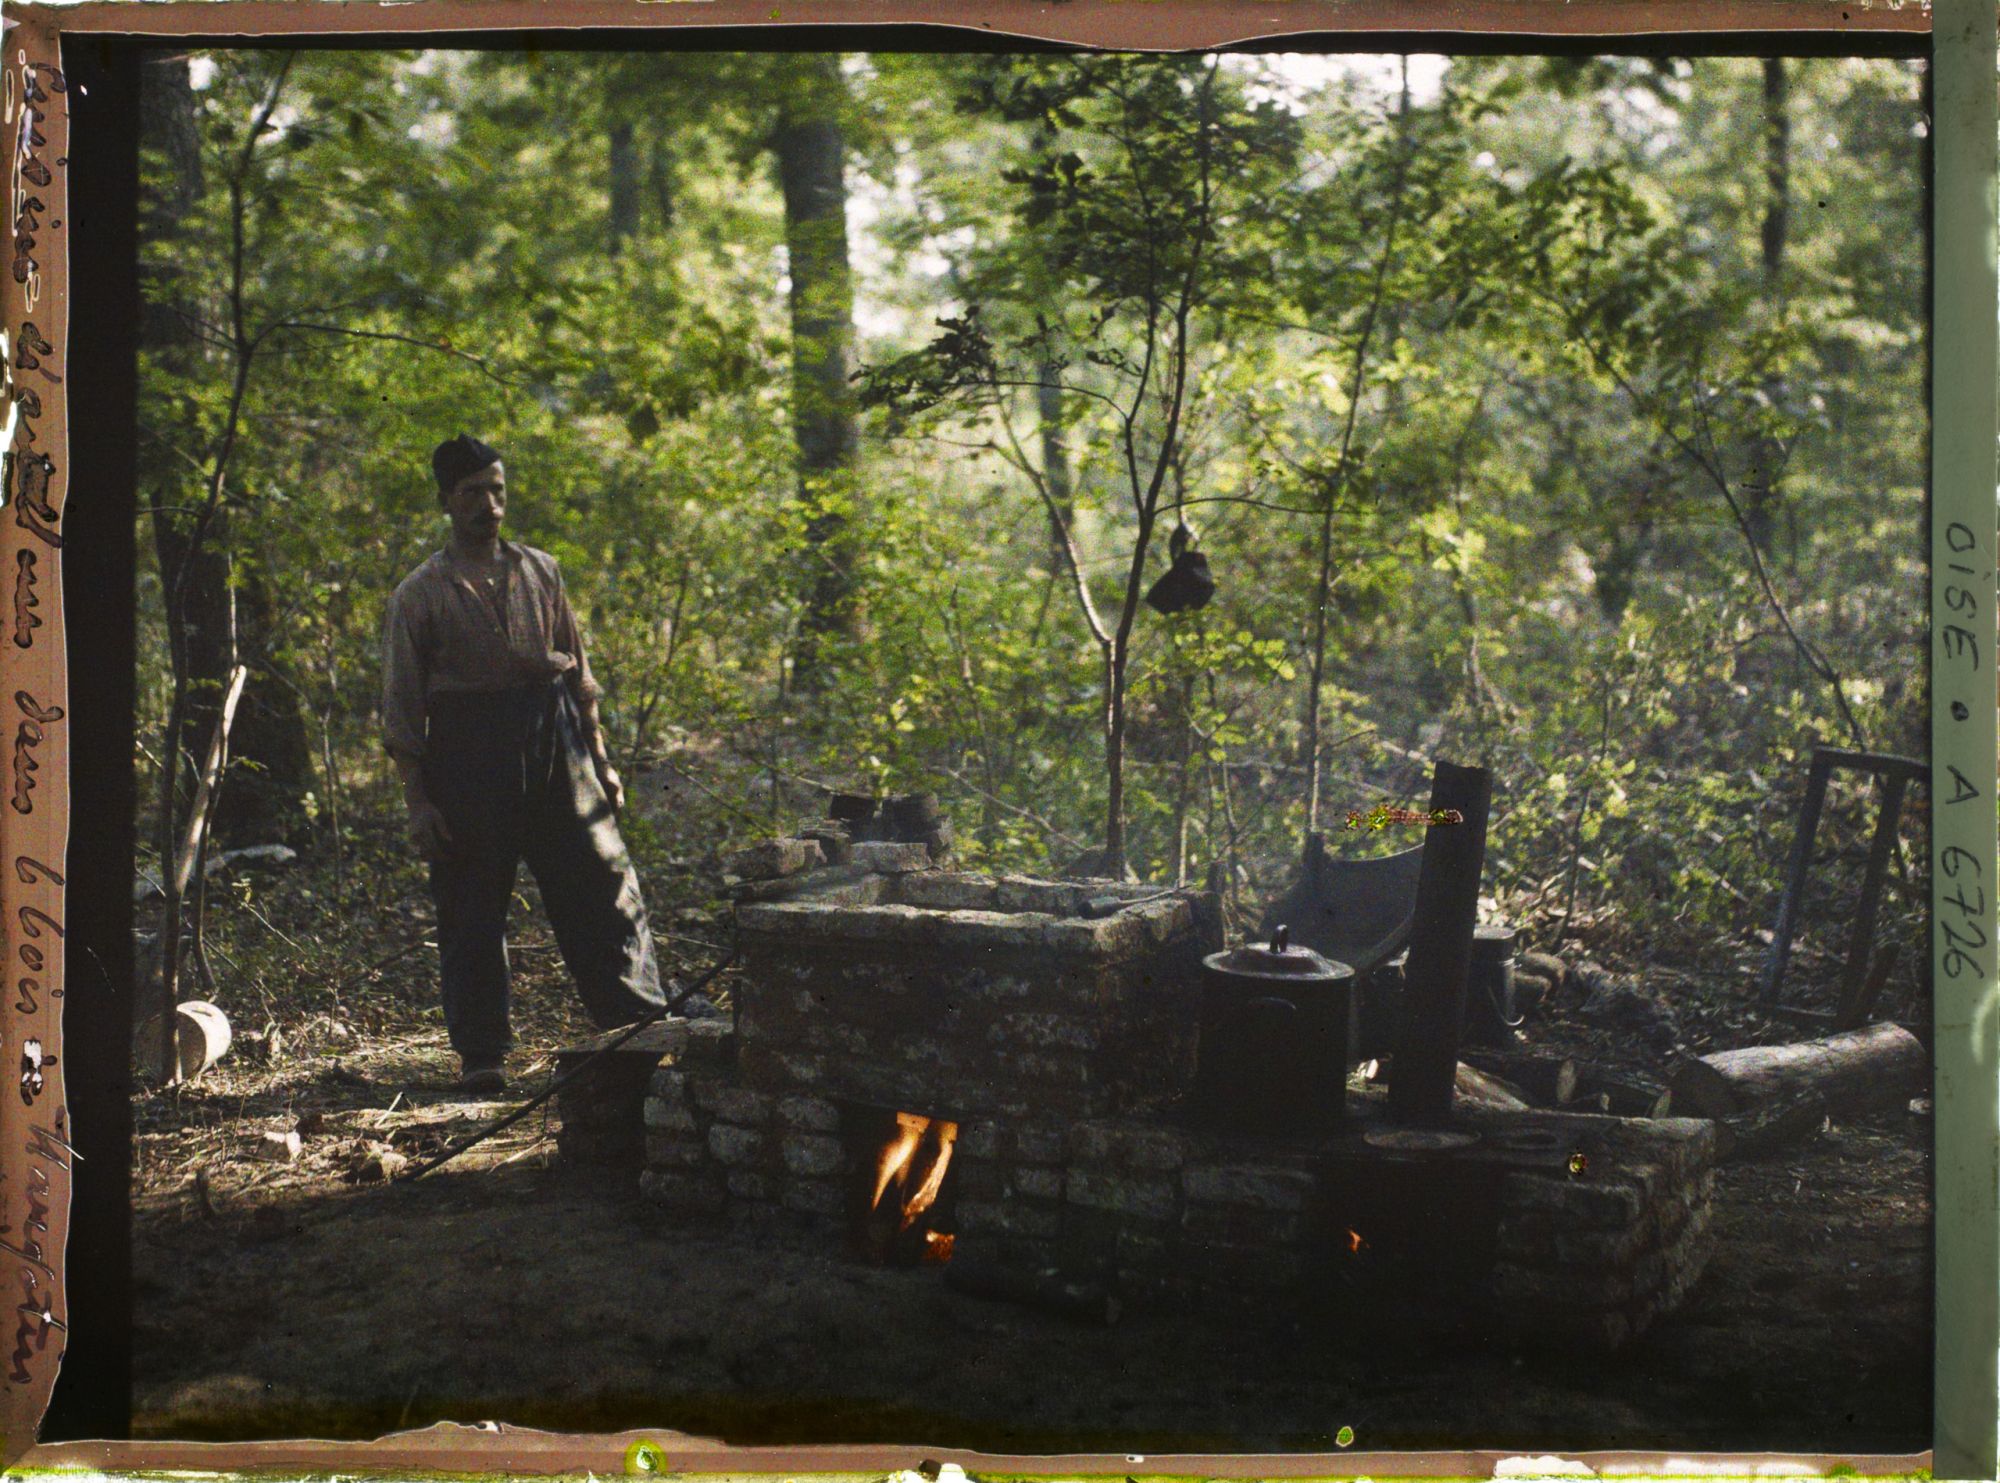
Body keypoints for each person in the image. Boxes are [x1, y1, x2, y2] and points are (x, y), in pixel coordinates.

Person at [381, 434, 666, 1094]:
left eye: (498, 490)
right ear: (446, 502)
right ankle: (483, 1054)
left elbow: (580, 675)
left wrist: (600, 760)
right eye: (473, 492)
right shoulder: (419, 594)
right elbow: (401, 708)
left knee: (603, 882)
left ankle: (638, 1021)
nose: (490, 505)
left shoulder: (541, 570)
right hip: (468, 750)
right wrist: (417, 799)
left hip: (556, 737)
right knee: (473, 902)